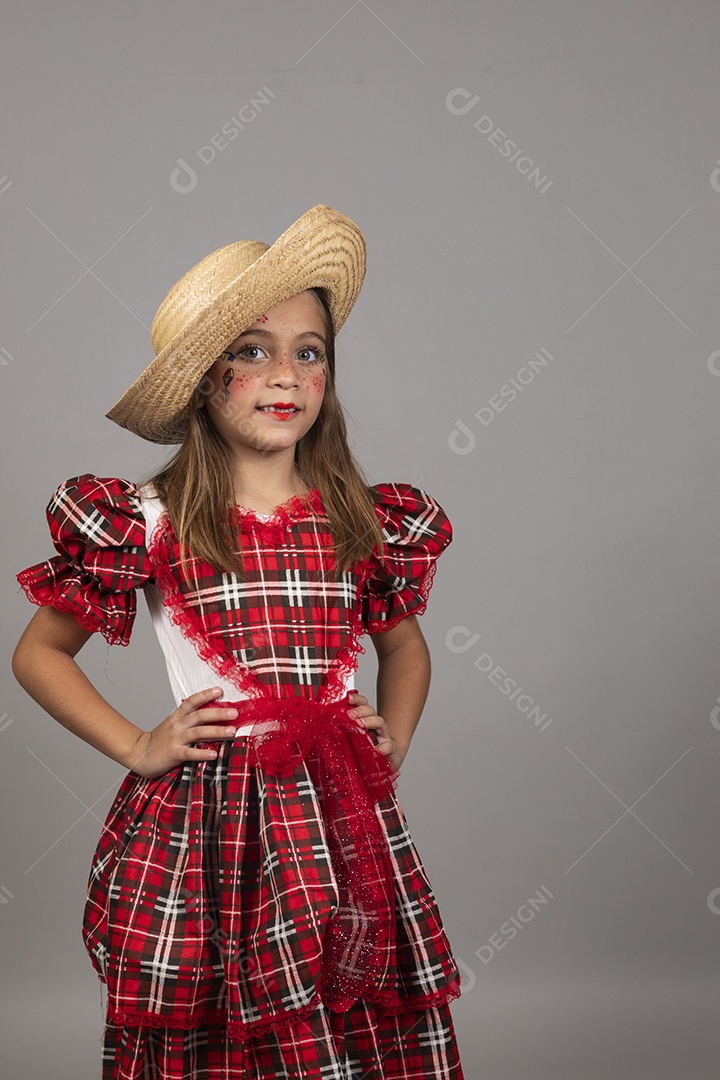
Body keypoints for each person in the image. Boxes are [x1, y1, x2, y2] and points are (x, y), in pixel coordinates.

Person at [13, 205, 465, 1080]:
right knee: (223, 1007)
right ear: (201, 381)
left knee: (350, 1004)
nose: (284, 373)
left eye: (309, 350)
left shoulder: (358, 522)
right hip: (217, 820)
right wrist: (141, 746)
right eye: (251, 351)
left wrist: (393, 740)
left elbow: (404, 650)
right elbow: (38, 653)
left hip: (338, 816)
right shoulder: (148, 521)